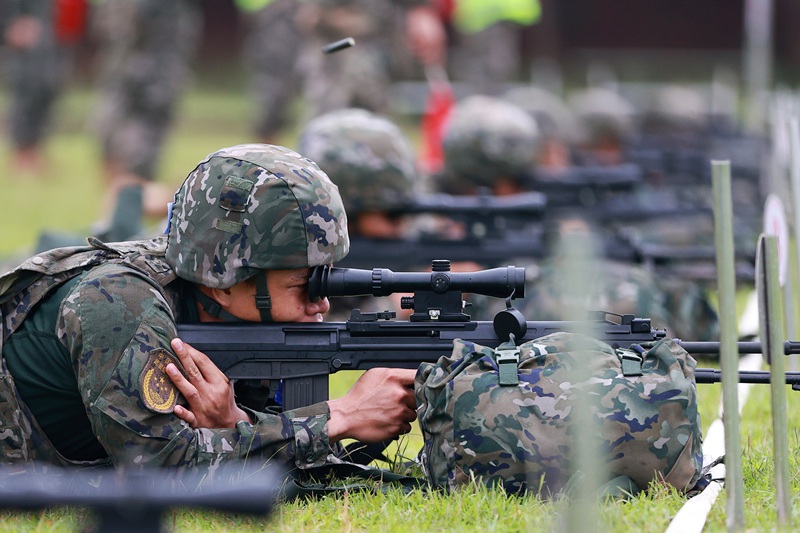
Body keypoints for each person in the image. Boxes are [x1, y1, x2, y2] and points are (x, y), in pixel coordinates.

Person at [0, 143, 417, 469]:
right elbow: (160, 466)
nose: (321, 302)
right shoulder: (119, 303)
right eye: (301, 284)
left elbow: (232, 450)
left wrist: (237, 422)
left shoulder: (216, 303)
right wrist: (339, 416)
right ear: (223, 282)